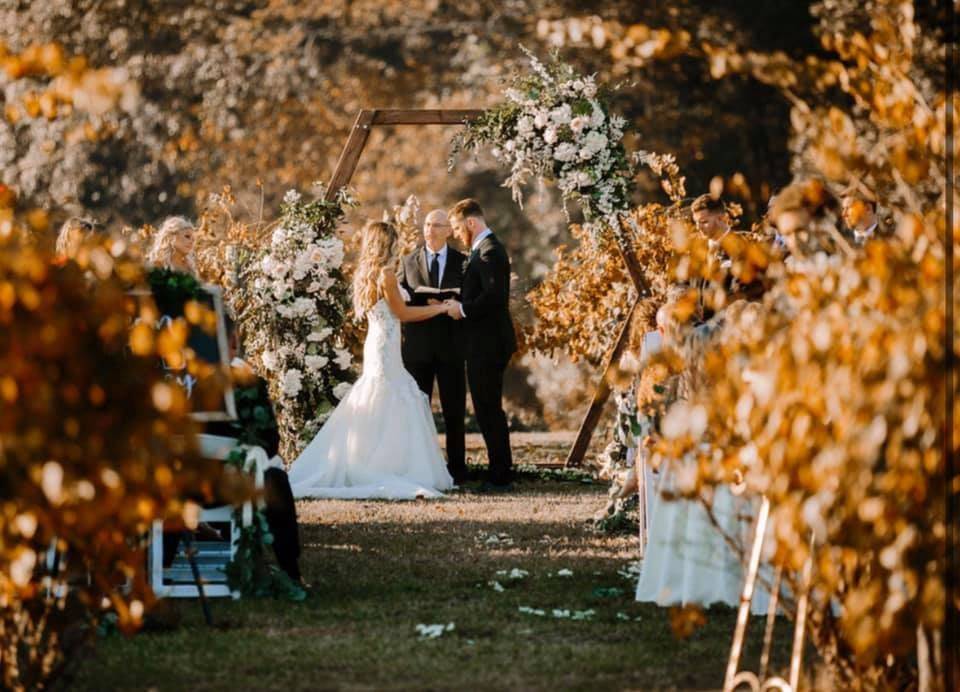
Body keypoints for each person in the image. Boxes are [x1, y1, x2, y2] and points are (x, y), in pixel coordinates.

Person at [287, 220, 455, 499]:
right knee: (389, 395)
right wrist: (440, 309)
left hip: (378, 343)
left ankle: (370, 459)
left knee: (382, 396)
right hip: (385, 345)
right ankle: (382, 466)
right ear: (387, 243)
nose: (398, 245)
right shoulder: (386, 274)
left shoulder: (366, 272)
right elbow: (403, 314)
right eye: (395, 240)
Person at [444, 198, 517, 489]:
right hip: (484, 343)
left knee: (488, 408)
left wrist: (461, 309)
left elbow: (493, 298)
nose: (456, 233)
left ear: (470, 223)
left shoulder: (489, 252)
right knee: (487, 407)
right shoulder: (483, 250)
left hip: (488, 344)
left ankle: (500, 475)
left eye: (456, 227)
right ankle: (499, 470)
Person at [398, 209, 469, 484]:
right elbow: (400, 302)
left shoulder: (463, 263)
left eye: (437, 225)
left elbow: (469, 298)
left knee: (454, 411)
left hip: (452, 346)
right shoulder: (408, 261)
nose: (430, 229)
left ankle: (457, 469)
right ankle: (419, 468)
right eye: (427, 224)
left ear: (449, 230)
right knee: (418, 410)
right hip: (418, 348)